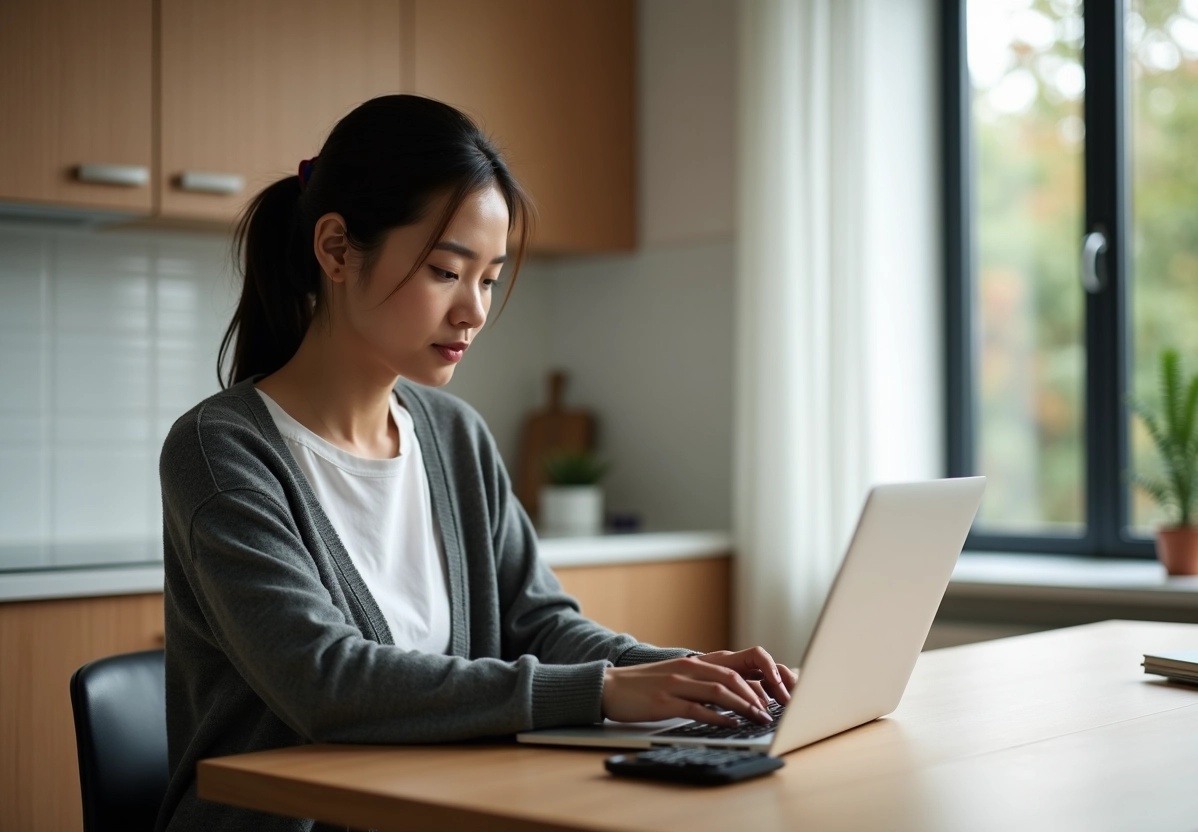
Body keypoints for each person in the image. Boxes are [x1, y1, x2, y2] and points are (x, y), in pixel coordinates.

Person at [156, 94, 796, 832]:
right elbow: (324, 681)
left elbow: (540, 624)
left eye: (488, 278)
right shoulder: (221, 449)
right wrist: (604, 689)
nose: (476, 310)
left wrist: (688, 674)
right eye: (446, 271)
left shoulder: (454, 434)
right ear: (335, 250)